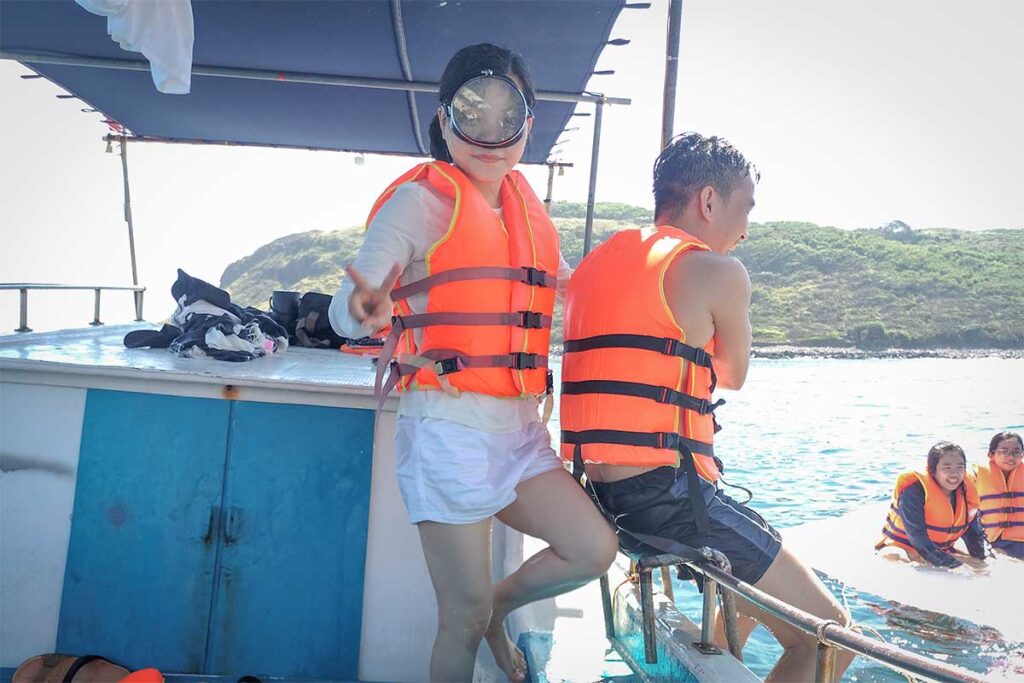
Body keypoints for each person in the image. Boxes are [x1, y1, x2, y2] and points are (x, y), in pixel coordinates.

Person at [328, 43, 617, 682]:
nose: (490, 135)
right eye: (471, 115)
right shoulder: (419, 203)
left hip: (521, 431)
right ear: (445, 119)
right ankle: (482, 616)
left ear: (527, 125)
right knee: (459, 617)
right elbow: (345, 310)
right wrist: (362, 308)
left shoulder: (526, 212)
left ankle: (499, 610)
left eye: (506, 117)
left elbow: (565, 289)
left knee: (592, 548)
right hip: (448, 431)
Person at [559, 132, 853, 682]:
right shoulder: (718, 271)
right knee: (830, 634)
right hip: (667, 501)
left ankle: (717, 655)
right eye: (746, 209)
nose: (745, 230)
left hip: (596, 497)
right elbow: (733, 374)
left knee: (753, 582)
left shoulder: (595, 264)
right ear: (709, 201)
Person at [876, 441, 988, 567]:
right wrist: (950, 564)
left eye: (960, 467)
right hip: (904, 548)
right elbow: (917, 537)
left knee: (980, 565)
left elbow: (973, 535)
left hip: (938, 551)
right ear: (932, 470)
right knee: (891, 557)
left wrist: (980, 559)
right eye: (947, 467)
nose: (954, 474)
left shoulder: (966, 492)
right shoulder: (914, 492)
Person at [971, 431, 1024, 559]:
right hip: (991, 542)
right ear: (991, 454)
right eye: (1004, 451)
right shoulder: (975, 475)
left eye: (1016, 452)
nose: (1010, 457)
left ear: (1022, 454)